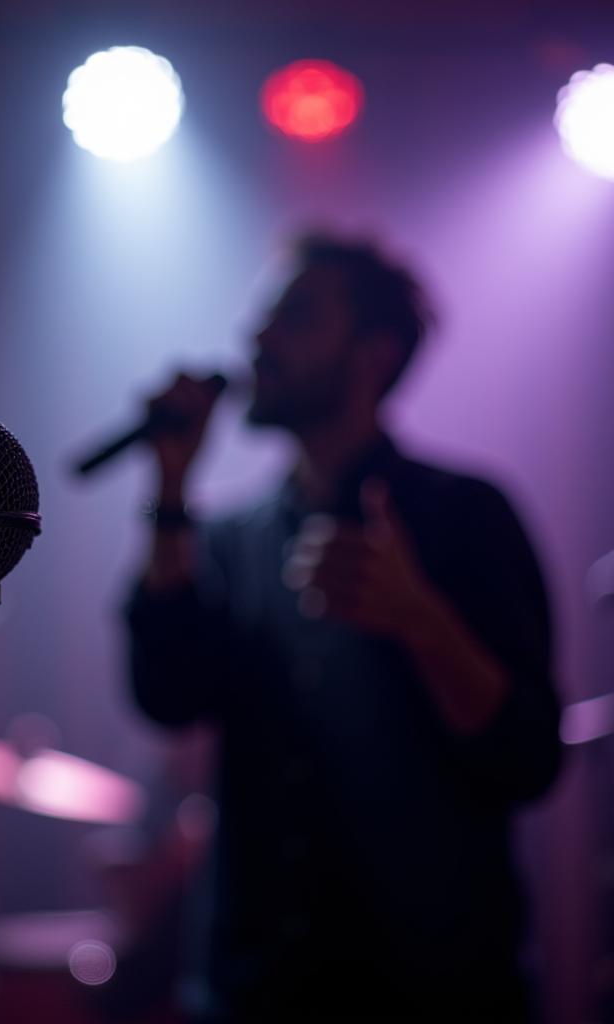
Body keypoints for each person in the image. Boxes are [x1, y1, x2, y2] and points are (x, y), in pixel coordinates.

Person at [123, 234, 562, 1023]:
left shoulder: (466, 515)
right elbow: (167, 694)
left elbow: (528, 758)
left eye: (294, 317)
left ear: (374, 352)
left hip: (434, 992)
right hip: (254, 988)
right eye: (261, 319)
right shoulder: (230, 538)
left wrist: (423, 620)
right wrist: (171, 488)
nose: (257, 339)